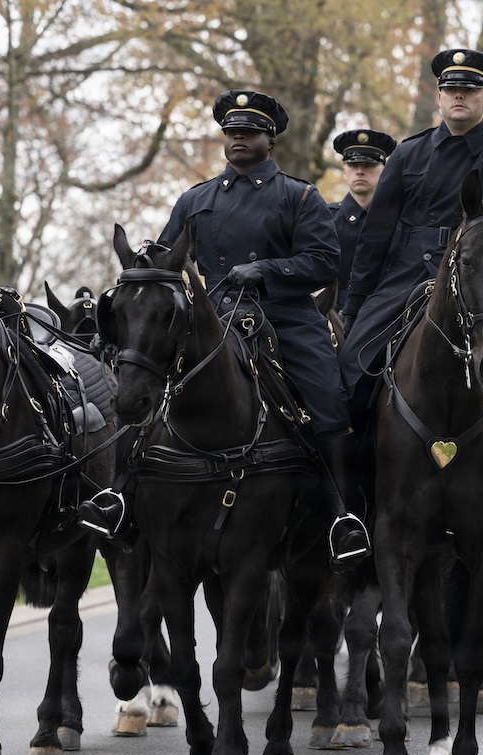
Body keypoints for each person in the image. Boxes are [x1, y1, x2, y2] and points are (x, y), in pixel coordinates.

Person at [80, 90, 370, 570]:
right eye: (231, 132)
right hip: (212, 318)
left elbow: (324, 263)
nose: (238, 139)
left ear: (268, 139)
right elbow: (167, 262)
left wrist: (267, 271)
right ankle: (122, 496)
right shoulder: (196, 199)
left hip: (286, 317)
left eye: (248, 132)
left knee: (329, 400)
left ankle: (343, 516)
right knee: (141, 391)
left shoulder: (298, 195)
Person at [336, 48, 483, 521]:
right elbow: (377, 234)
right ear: (440, 98)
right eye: (450, 89)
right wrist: (355, 305)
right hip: (405, 279)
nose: (458, 95)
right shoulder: (407, 153)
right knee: (351, 370)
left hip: (482, 283)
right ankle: (351, 494)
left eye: (469, 89)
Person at [329, 129, 397, 301]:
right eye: (353, 165)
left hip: (384, 311)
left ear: (384, 171)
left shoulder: (398, 220)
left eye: (368, 165)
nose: (360, 171)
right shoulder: (326, 218)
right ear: (345, 172)